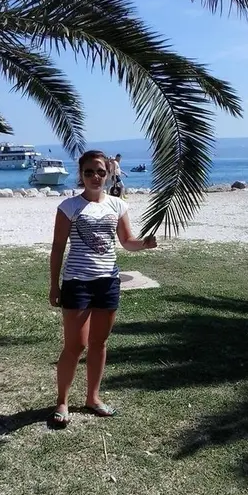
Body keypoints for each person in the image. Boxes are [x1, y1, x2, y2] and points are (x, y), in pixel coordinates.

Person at [49, 150, 157, 427]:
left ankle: (92, 398)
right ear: (81, 175)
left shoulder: (118, 205)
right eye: (89, 172)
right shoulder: (69, 207)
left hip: (108, 282)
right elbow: (58, 248)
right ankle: (62, 401)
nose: (95, 177)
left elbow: (127, 241)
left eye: (100, 172)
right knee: (75, 345)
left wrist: (144, 244)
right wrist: (54, 285)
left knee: (99, 343)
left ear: (109, 174)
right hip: (77, 283)